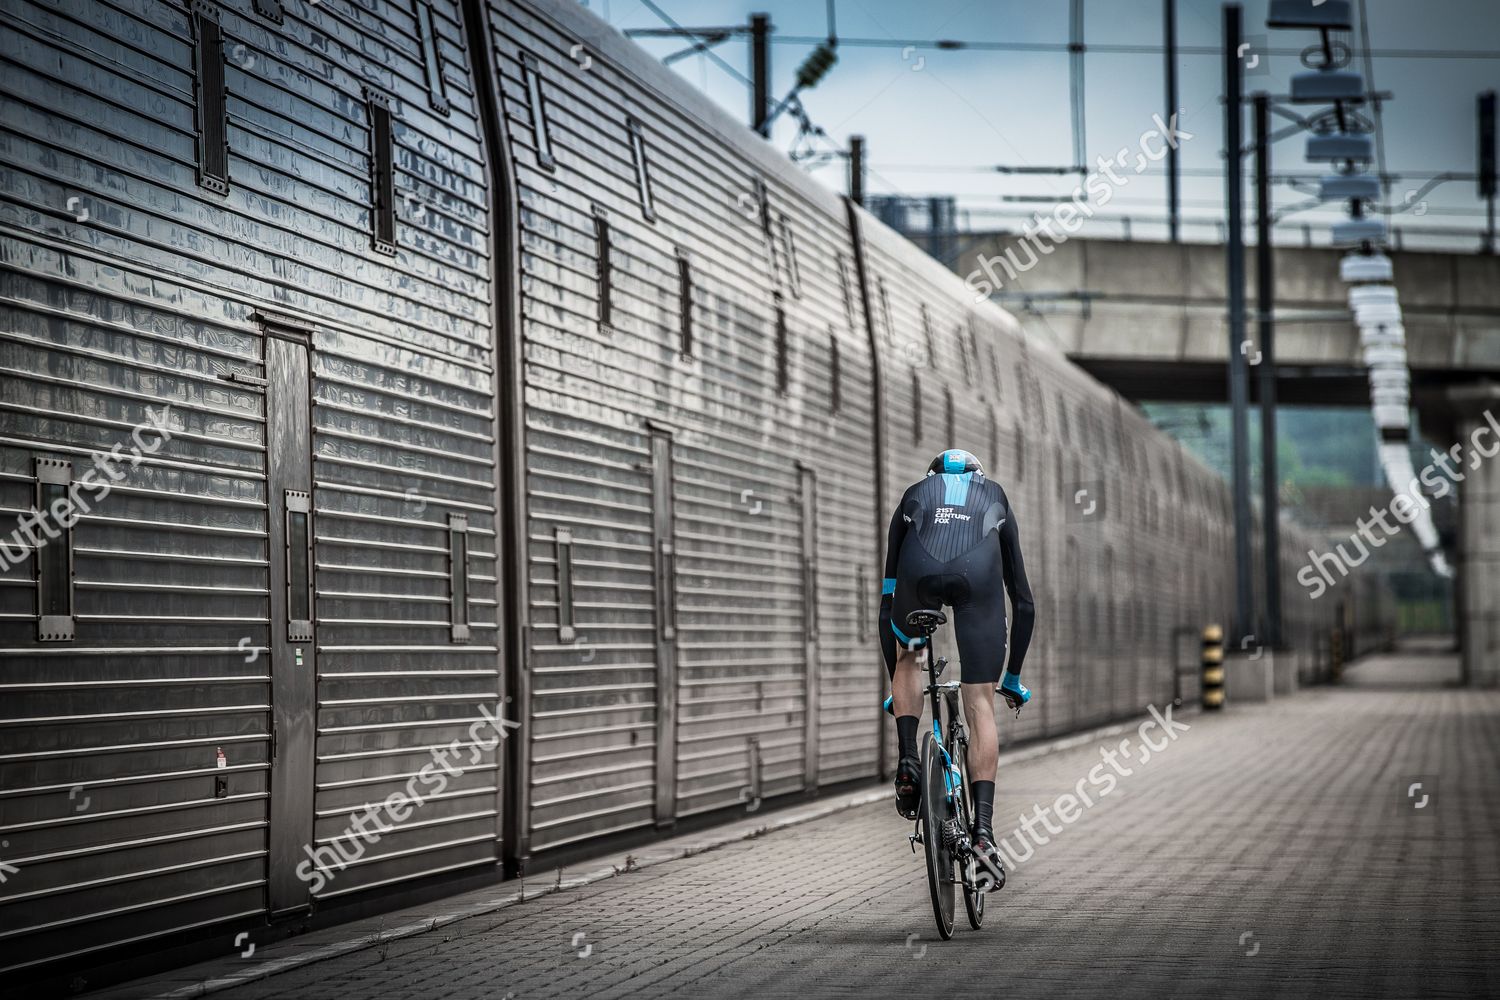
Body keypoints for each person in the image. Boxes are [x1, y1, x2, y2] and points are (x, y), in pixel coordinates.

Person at [878, 448, 1035, 883]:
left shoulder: (913, 496)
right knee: (978, 699)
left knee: (912, 656)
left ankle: (909, 758)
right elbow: (1023, 600)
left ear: (932, 477)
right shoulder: (995, 496)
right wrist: (1013, 677)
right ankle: (982, 833)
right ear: (978, 477)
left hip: (918, 576)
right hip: (976, 577)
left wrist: (895, 675)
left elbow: (887, 601)